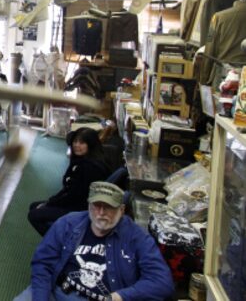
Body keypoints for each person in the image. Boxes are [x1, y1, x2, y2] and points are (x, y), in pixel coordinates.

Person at [16, 181, 173, 300]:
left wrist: (121, 296)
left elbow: (162, 282)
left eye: (109, 207)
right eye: (96, 205)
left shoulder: (136, 237)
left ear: (122, 210)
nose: (101, 213)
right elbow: (43, 264)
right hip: (57, 292)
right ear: (88, 205)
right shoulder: (68, 223)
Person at [28, 128, 109, 236]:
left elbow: (73, 196)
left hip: (81, 210)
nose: (77, 145)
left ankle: (59, 242)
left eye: (82, 143)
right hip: (76, 204)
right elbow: (69, 190)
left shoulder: (90, 168)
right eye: (75, 141)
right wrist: (50, 202)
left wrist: (50, 203)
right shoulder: (83, 161)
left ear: (90, 144)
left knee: (34, 215)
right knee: (34, 206)